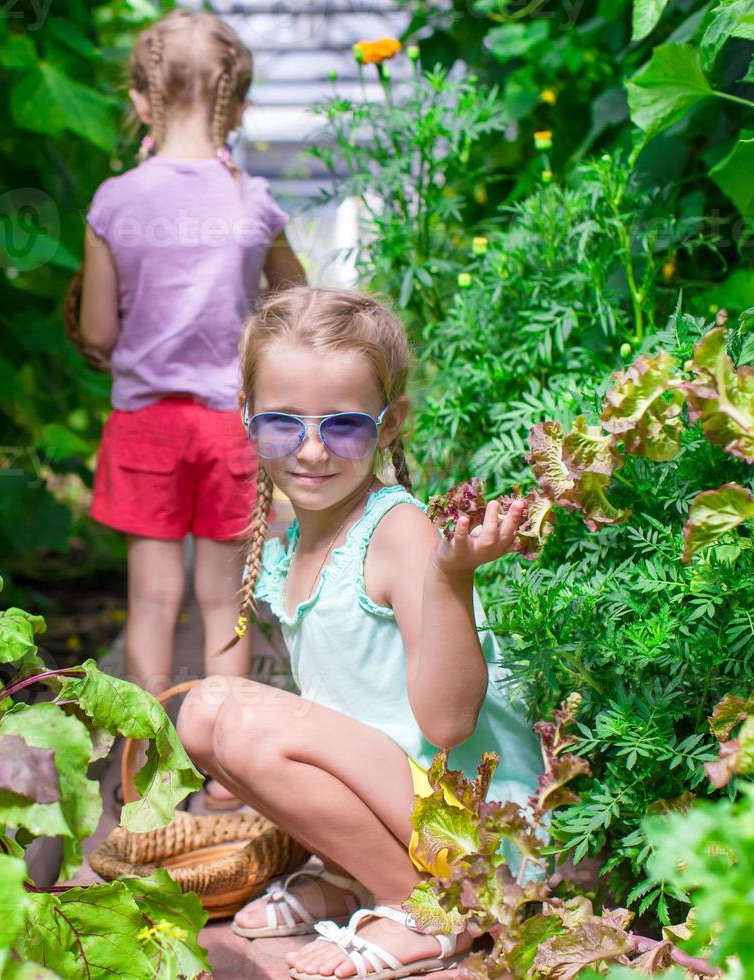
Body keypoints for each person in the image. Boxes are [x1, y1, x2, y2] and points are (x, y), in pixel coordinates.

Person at [175, 287, 546, 978]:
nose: (311, 450)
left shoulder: (399, 531)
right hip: (412, 806)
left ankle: (437, 909)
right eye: (283, 424)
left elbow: (448, 723)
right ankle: (358, 875)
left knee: (245, 726)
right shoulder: (296, 540)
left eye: (343, 426)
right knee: (204, 712)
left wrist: (452, 578)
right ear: (248, 420)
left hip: (476, 827)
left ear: (391, 424)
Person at [79, 9, 304, 807]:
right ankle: (226, 782)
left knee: (152, 600)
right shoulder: (255, 202)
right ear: (235, 110)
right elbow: (298, 301)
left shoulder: (114, 201)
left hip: (145, 426)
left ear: (141, 102)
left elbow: (101, 329)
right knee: (223, 605)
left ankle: (139, 775)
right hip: (226, 428)